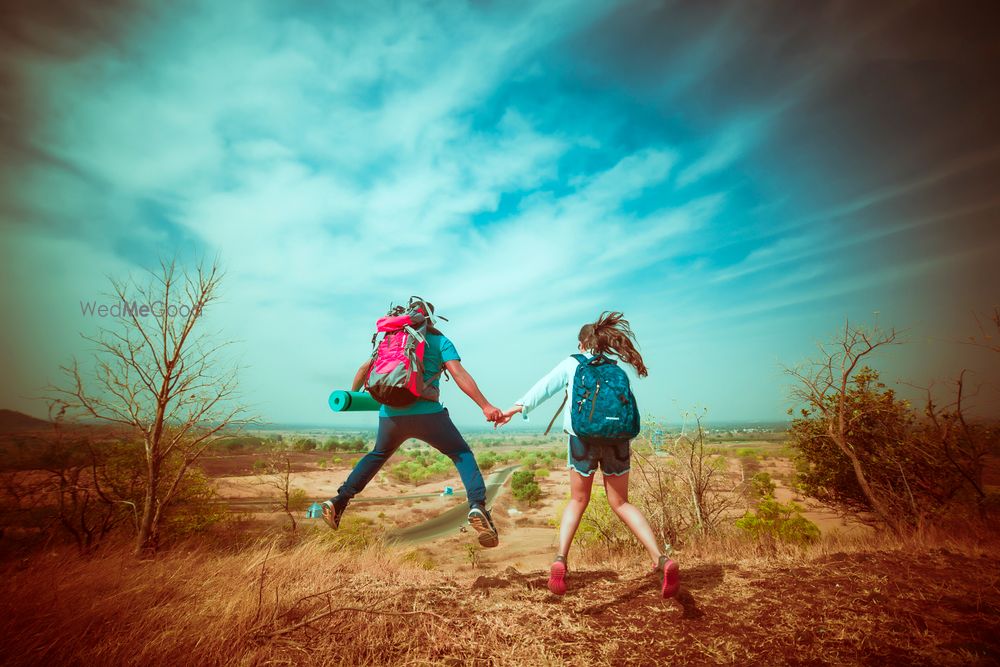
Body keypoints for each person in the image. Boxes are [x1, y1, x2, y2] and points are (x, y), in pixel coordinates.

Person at [495, 312, 679, 596]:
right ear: (603, 344)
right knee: (621, 504)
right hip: (618, 439)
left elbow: (544, 387)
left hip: (582, 440)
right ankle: (660, 558)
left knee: (578, 500)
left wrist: (514, 409)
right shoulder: (615, 367)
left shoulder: (573, 363)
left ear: (582, 343)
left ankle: (560, 560)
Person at [322, 302, 502, 548]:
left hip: (390, 416)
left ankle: (339, 501)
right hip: (428, 414)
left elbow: (365, 368)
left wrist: (352, 397)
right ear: (429, 319)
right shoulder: (439, 341)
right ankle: (478, 507)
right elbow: (459, 374)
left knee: (378, 454)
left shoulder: (391, 339)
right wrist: (485, 405)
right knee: (460, 453)